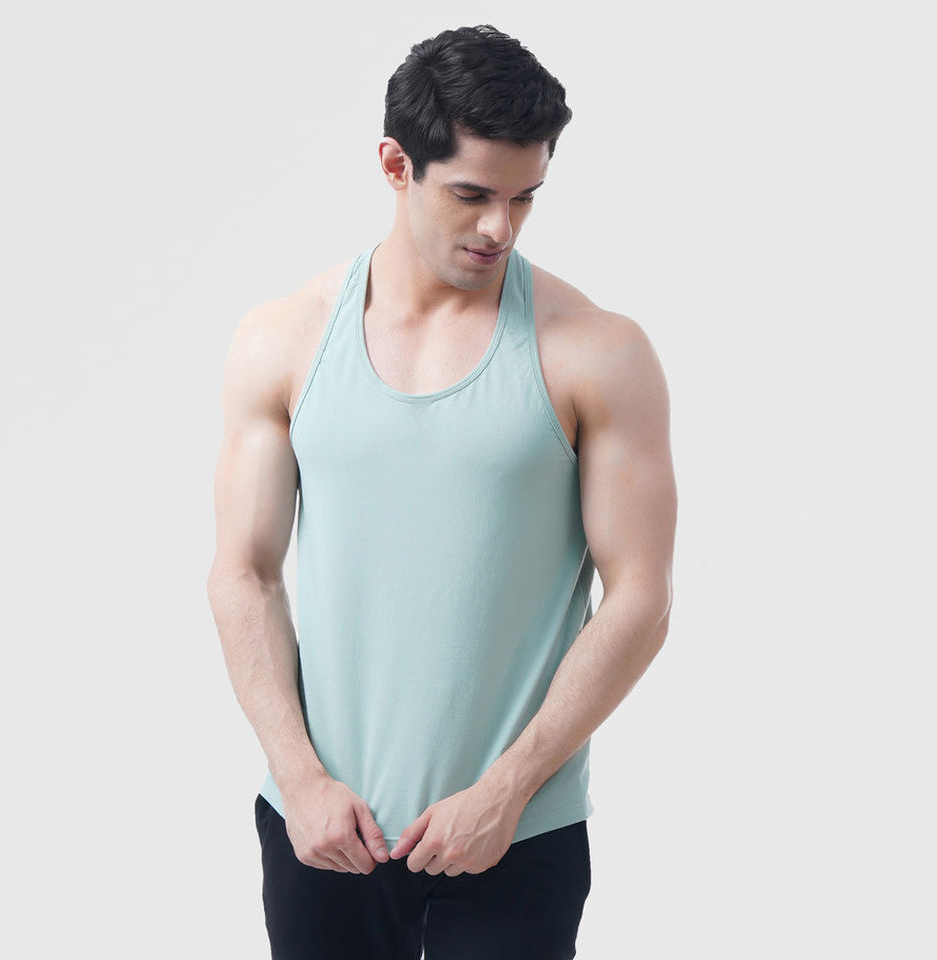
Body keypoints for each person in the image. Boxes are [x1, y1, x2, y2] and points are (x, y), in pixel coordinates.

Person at [207, 23, 677, 960]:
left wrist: (506, 790)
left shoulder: (597, 351)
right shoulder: (283, 339)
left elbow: (640, 599)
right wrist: (300, 780)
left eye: (524, 197)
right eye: (471, 194)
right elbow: (244, 574)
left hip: (515, 834)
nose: (500, 227)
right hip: (322, 829)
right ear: (396, 165)